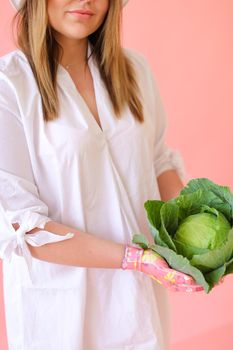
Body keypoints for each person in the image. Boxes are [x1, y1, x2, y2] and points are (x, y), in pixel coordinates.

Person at [0, 0, 205, 349]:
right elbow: (23, 226)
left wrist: (204, 232)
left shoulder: (135, 70)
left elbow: (158, 161)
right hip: (62, 312)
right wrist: (135, 258)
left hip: (138, 304)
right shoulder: (10, 85)